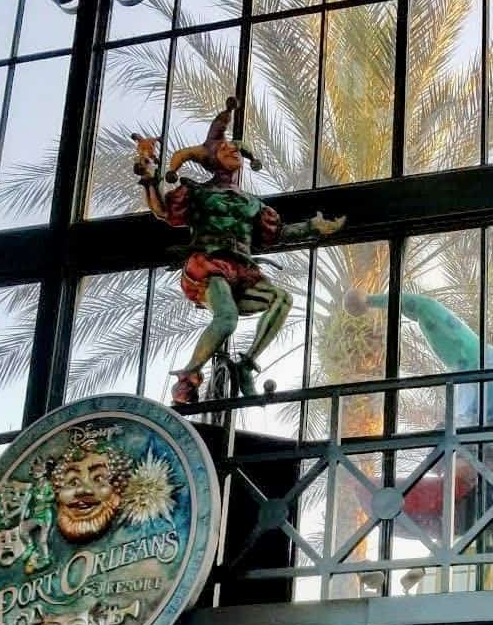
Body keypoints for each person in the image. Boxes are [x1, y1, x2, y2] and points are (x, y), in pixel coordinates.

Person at [135, 97, 345, 402]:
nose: (234, 151)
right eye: (225, 149)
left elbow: (276, 235)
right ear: (212, 160)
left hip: (243, 270)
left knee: (282, 299)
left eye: (236, 149)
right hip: (210, 265)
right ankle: (188, 377)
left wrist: (311, 227)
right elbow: (163, 211)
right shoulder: (198, 193)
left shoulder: (253, 204)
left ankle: (246, 364)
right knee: (227, 318)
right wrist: (150, 177)